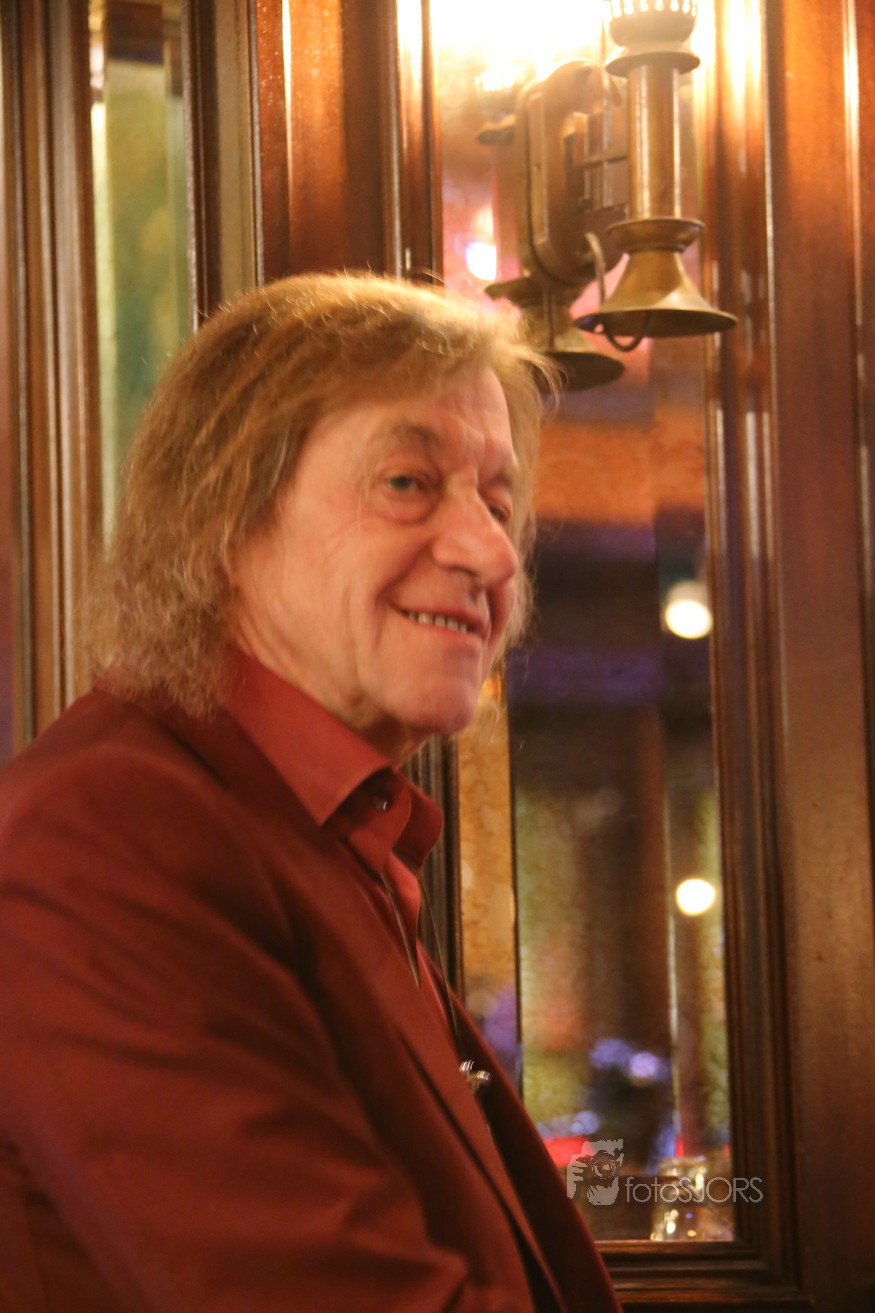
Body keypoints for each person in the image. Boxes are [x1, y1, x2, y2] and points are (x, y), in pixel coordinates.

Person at [0, 273, 620, 1312]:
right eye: (406, 482)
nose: (490, 552)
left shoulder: (317, 823)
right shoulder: (103, 832)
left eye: (497, 500)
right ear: (221, 517)